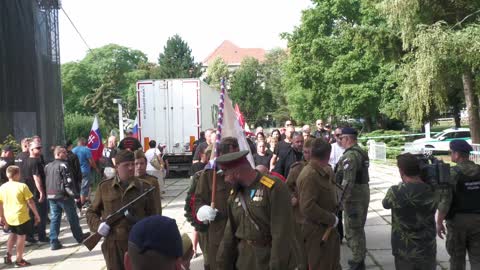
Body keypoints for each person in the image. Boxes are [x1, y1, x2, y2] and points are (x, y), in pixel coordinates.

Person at [216, 150, 299, 270]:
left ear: (237, 172)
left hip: (268, 258)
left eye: (225, 172)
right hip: (245, 261)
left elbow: (281, 233)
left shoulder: (273, 187)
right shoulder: (235, 193)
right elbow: (230, 233)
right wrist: (222, 263)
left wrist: (276, 266)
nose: (225, 179)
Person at [86, 150, 157, 270]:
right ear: (117, 166)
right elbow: (91, 212)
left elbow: (154, 216)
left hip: (138, 243)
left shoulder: (144, 187)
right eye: (126, 165)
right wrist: (98, 226)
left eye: (132, 164)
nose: (131, 168)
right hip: (113, 246)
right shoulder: (105, 187)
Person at [383, 153, 437, 270]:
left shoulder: (395, 191)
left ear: (401, 171)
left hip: (404, 249)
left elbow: (385, 204)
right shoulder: (432, 190)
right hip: (427, 248)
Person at [194, 137, 238, 270]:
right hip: (219, 235)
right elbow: (198, 201)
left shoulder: (242, 173)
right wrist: (204, 210)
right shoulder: (208, 175)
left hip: (241, 236)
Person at [297, 138, 341, 270]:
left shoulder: (321, 171)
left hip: (326, 230)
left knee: (332, 264)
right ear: (328, 156)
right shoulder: (310, 175)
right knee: (321, 265)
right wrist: (331, 218)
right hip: (317, 232)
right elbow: (307, 207)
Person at [437, 140, 480, 270]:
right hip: (478, 221)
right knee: (477, 259)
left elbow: (445, 201)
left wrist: (439, 222)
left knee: (456, 259)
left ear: (457, 154)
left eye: (451, 152)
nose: (450, 155)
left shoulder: (452, 173)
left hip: (457, 222)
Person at [335, 127, 370, 270]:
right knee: (358, 228)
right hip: (362, 192)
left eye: (341, 138)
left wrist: (340, 201)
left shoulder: (350, 156)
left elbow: (348, 182)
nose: (339, 140)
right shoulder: (361, 152)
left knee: (352, 230)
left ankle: (358, 261)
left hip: (354, 197)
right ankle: (359, 257)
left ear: (348, 139)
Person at [45, 146, 89, 250]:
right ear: (58, 154)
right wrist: (75, 195)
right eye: (64, 153)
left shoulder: (48, 166)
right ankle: (79, 237)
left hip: (51, 195)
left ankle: (54, 241)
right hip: (64, 195)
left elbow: (45, 180)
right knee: (72, 217)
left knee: (55, 218)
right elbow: (68, 182)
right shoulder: (64, 165)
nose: (66, 154)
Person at [0, 165, 40, 267]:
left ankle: (8, 255)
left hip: (9, 216)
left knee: (12, 234)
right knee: (21, 237)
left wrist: (1, 216)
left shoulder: (2, 187)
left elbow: (0, 204)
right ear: (17, 174)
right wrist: (36, 214)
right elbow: (30, 201)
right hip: (20, 216)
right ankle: (19, 259)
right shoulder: (22, 186)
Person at [285, 137, 313, 270]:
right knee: (301, 254)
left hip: (317, 219)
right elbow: (287, 188)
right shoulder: (297, 169)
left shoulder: (325, 168)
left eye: (310, 152)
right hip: (301, 218)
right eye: (305, 152)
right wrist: (291, 197)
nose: (307, 155)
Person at [24, 141, 48, 244]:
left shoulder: (27, 161)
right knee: (41, 215)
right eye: (37, 148)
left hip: (29, 193)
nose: (40, 149)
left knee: (31, 215)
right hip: (35, 193)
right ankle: (41, 237)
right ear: (31, 149)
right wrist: (41, 192)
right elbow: (36, 178)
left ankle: (30, 237)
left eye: (40, 147)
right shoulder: (35, 162)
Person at [73, 137, 100, 207]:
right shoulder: (86, 149)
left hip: (75, 172)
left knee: (77, 188)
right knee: (84, 188)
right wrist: (96, 168)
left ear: (78, 143)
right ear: (84, 143)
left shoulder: (73, 150)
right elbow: (91, 161)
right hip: (85, 171)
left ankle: (78, 203)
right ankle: (81, 205)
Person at [134, 150, 162, 214]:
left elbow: (157, 205)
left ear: (146, 164)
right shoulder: (128, 180)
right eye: (136, 164)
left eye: (142, 163)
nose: (139, 167)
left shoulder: (152, 181)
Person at [65, 140, 82, 208]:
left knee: (67, 194)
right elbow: (77, 168)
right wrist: (80, 179)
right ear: (70, 146)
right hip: (74, 177)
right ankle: (79, 209)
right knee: (76, 193)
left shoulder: (63, 157)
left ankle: (66, 210)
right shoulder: (73, 156)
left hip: (65, 179)